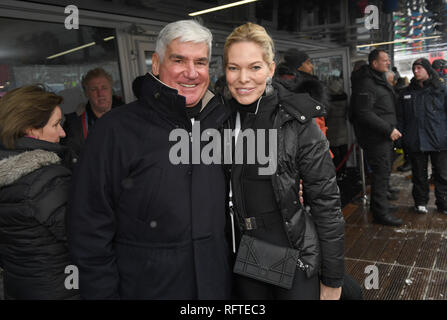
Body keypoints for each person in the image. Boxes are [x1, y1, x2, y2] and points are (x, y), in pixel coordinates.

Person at [67, 20, 232, 299]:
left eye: (200, 62)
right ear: (156, 64)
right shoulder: (114, 131)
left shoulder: (221, 123)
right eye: (178, 60)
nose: (191, 73)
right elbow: (88, 228)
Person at [221, 22, 345, 300]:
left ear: (271, 69)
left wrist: (333, 277)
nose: (243, 78)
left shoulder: (296, 122)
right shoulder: (219, 118)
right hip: (245, 254)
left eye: (254, 67)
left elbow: (326, 202)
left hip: (291, 247)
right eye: (233, 68)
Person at [0, 85, 79, 299]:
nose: (62, 133)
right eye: (55, 125)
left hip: (18, 288)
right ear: (31, 130)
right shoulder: (47, 180)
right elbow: (84, 238)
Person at [351, 49, 403, 226]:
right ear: (374, 63)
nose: (388, 63)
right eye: (385, 60)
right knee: (381, 174)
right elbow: (364, 112)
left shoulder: (376, 80)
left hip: (383, 137)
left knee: (385, 172)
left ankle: (380, 206)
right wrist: (388, 129)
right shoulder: (366, 83)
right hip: (376, 137)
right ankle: (380, 214)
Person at [397, 58, 447, 215]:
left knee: (442, 174)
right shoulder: (406, 93)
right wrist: (401, 139)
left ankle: (443, 203)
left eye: (419, 68)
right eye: (414, 68)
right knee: (419, 174)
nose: (416, 71)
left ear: (427, 70)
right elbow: (401, 118)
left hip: (439, 139)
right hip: (416, 140)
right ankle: (420, 202)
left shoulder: (441, 90)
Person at [62, 68, 123, 163]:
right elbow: (69, 161)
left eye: (104, 88)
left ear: (111, 90)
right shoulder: (73, 125)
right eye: (94, 89)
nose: (100, 94)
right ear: (86, 93)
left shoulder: (128, 117)